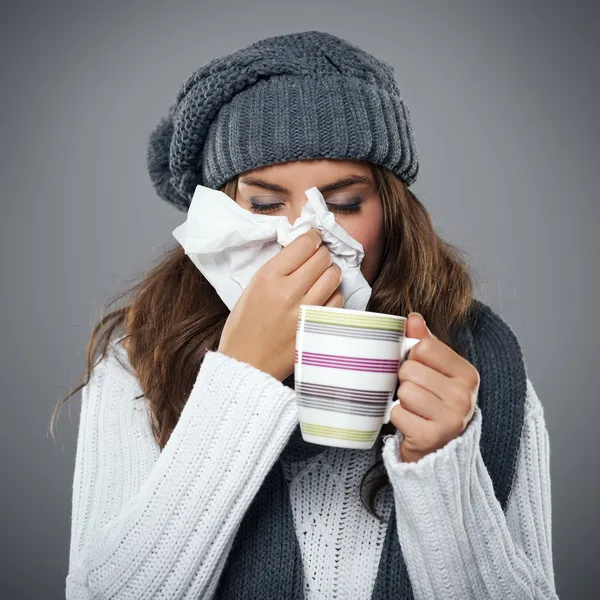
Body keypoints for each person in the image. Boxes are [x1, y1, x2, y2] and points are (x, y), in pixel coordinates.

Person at [51, 30, 558, 599]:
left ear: (390, 211)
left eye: (344, 203)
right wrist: (240, 377)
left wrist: (442, 467)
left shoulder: (478, 367)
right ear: (221, 212)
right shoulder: (140, 359)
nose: (307, 234)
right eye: (265, 204)